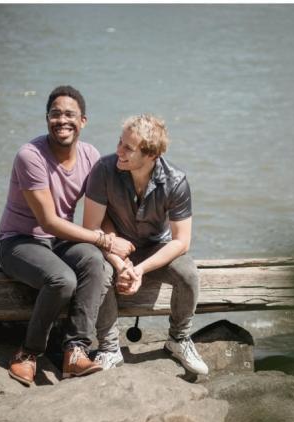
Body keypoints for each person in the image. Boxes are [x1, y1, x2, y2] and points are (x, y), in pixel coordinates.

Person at [0, 85, 123, 386]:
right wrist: (103, 240)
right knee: (62, 279)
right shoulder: (30, 156)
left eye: (69, 115)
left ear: (83, 121)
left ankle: (75, 351)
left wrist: (118, 257)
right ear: (46, 119)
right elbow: (48, 221)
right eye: (55, 114)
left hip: (58, 243)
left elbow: (102, 213)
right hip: (19, 242)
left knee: (95, 262)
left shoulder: (90, 156)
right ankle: (28, 352)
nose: (61, 120)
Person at [83, 114, 208, 375]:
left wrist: (139, 270)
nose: (118, 150)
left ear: (151, 155)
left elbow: (181, 242)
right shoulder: (104, 170)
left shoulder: (176, 181)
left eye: (128, 148)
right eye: (120, 142)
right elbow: (91, 227)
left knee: (188, 274)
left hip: (155, 248)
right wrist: (119, 262)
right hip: (112, 244)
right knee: (100, 270)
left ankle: (179, 339)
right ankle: (109, 347)